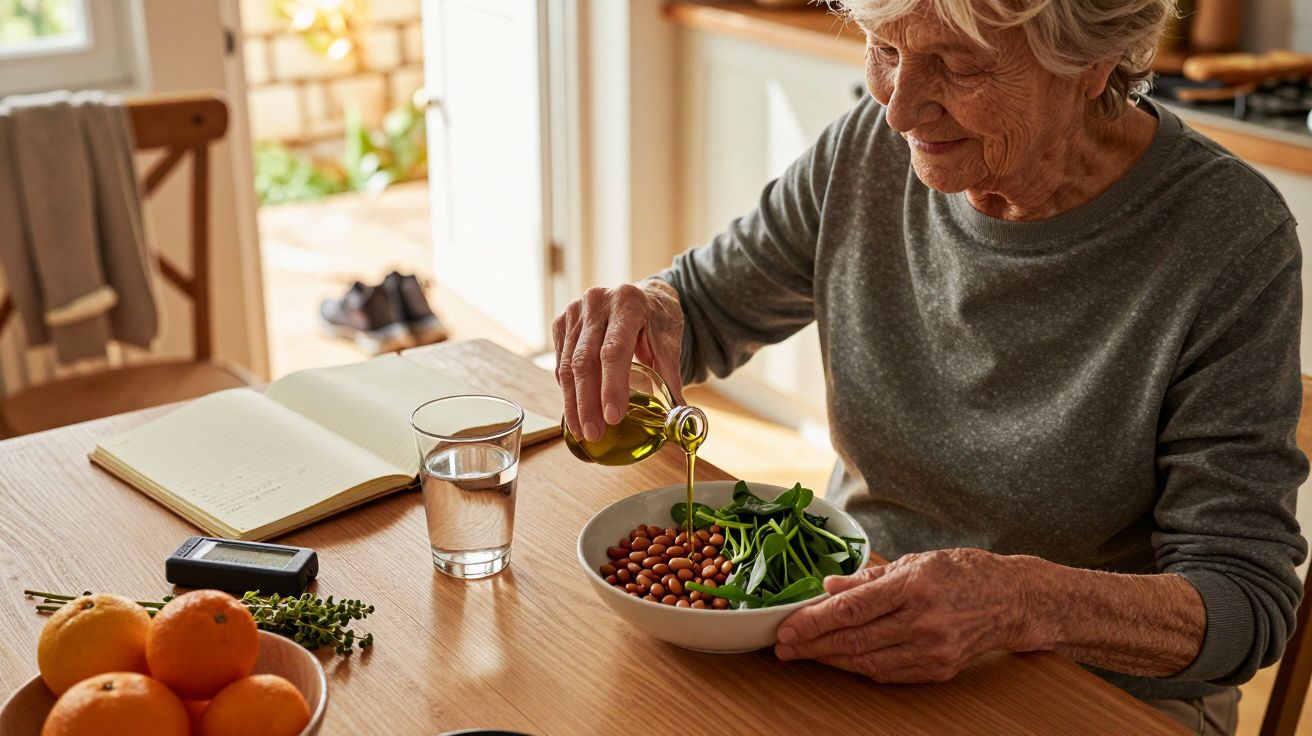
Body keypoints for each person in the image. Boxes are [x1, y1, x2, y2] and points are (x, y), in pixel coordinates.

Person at [552, 0, 1307, 732]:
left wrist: (1022, 603)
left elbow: (1246, 600)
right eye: (886, 50)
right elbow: (702, 309)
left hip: (1094, 690)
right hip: (846, 630)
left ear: (1090, 64)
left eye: (960, 66)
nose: (901, 110)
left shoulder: (1227, 235)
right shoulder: (865, 152)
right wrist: (650, 310)